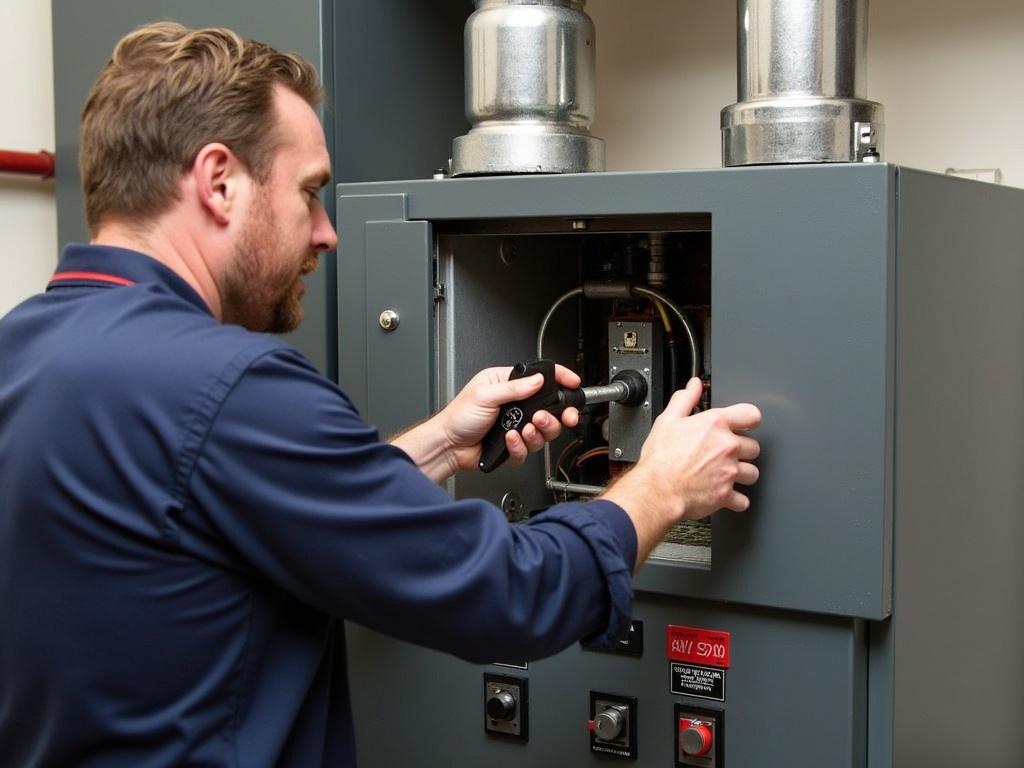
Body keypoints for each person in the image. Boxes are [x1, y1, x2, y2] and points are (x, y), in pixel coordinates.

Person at [0, 22, 761, 768]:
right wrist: (660, 486)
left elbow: (235, 516)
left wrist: (442, 444)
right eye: (309, 193)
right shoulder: (231, 387)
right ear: (219, 180)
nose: (328, 232)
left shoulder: (23, 350)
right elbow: (510, 597)